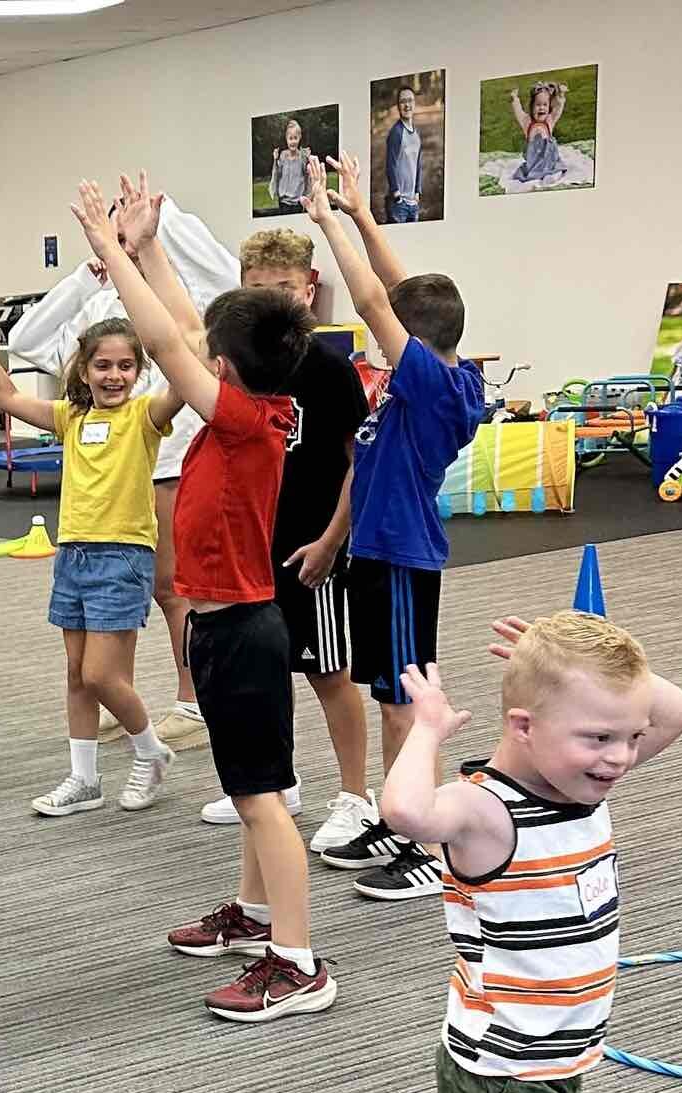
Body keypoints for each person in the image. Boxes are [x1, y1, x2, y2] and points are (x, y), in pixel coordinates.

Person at [362, 615, 682, 1093]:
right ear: (522, 728)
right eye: (599, 737)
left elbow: (677, 709)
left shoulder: (580, 783)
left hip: (558, 1053)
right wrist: (424, 728)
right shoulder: (487, 814)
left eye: (629, 737)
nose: (621, 757)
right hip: (502, 1069)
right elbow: (406, 813)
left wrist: (573, 665)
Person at [75, 174, 335, 1022]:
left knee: (262, 799)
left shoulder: (238, 418)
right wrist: (148, 245)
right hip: (228, 629)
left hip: (245, 632)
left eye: (208, 356)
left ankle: (297, 962)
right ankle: (256, 916)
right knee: (256, 785)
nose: (198, 353)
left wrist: (112, 254)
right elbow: (189, 327)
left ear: (223, 371)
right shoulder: (258, 400)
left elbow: (165, 339)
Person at [304, 153, 488, 901]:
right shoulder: (435, 370)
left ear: (409, 344)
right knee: (385, 690)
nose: (380, 339)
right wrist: (361, 214)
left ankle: (421, 841)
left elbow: (378, 300)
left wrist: (323, 221)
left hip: (405, 560)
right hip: (375, 553)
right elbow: (403, 297)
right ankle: (396, 811)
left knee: (402, 701)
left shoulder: (439, 388)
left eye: (391, 335)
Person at [0, 227, 183, 819]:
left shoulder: (145, 416)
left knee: (106, 674)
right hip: (74, 554)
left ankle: (150, 750)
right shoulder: (70, 417)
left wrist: (152, 283)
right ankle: (84, 779)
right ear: (84, 369)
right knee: (78, 675)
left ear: (139, 372)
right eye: (103, 365)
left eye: (126, 366)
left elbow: (182, 375)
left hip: (123, 555)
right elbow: (4, 395)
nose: (113, 376)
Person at [6, 192, 239, 755]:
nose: (121, 244)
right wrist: (90, 273)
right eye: (113, 235)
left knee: (171, 587)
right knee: (115, 604)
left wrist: (160, 229)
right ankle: (119, 695)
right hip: (109, 478)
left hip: (170, 465)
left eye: (127, 234)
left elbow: (232, 282)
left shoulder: (178, 288)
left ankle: (192, 700)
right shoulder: (97, 302)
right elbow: (22, 342)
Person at [196, 229, 375, 857]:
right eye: (259, 289)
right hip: (253, 546)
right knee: (264, 672)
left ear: (309, 289)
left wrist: (331, 540)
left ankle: (356, 796)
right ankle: (283, 782)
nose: (274, 301)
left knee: (329, 672)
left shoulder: (328, 370)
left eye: (285, 289)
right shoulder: (239, 366)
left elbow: (359, 462)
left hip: (311, 549)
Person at [509, 82, 568, 185]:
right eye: (538, 105)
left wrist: (561, 95)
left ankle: (551, 176)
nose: (541, 108)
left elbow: (558, 109)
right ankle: (539, 177)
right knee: (528, 177)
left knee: (556, 171)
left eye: (545, 105)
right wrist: (515, 98)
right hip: (533, 164)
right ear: (532, 107)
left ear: (549, 107)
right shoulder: (527, 122)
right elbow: (518, 111)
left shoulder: (549, 120)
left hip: (550, 162)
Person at [385, 87, 423, 223]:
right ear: (398, 106)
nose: (407, 105)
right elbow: (390, 165)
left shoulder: (416, 134)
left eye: (410, 101)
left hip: (414, 204)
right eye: (403, 101)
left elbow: (418, 164)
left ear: (415, 104)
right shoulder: (396, 133)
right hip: (399, 205)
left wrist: (418, 191)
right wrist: (396, 195)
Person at [270, 119, 310, 212]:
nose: (293, 141)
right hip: (284, 201)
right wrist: (275, 159)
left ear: (299, 138)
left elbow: (306, 174)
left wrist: (308, 160)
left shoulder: (302, 156)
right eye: (290, 138)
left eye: (295, 138)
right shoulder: (283, 155)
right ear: (286, 139)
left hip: (297, 201)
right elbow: (278, 173)